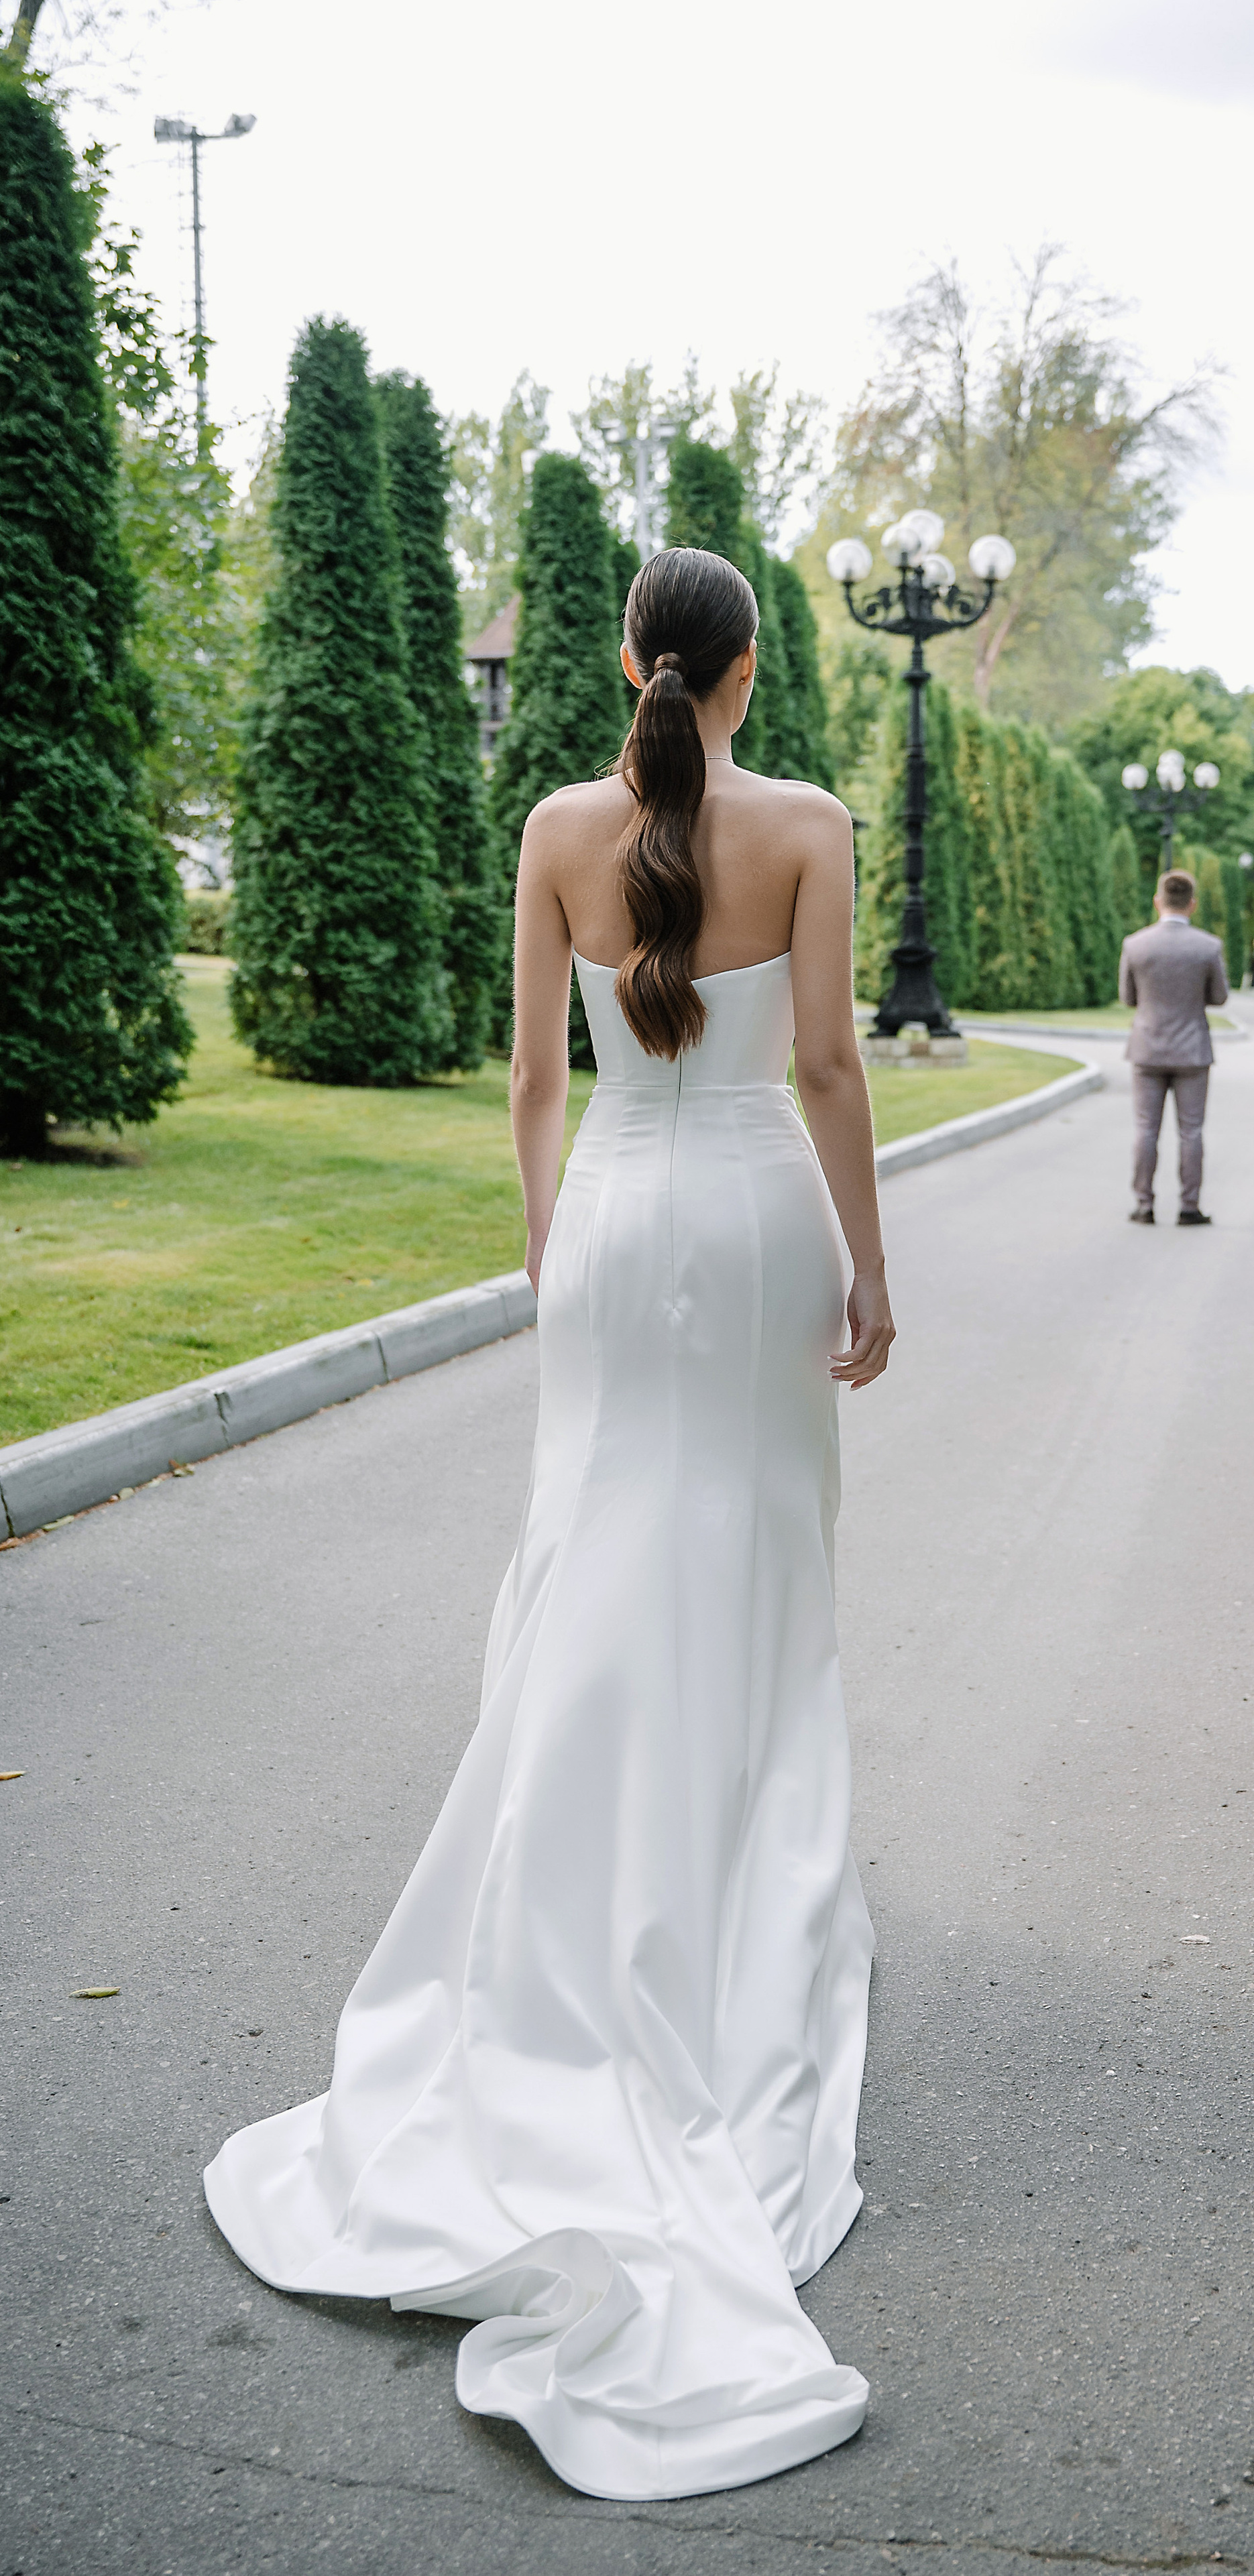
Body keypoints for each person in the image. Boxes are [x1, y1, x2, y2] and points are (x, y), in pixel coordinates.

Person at [205, 549, 894, 2502]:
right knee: (753, 1570)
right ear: (747, 671)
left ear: (622, 664)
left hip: (617, 1220)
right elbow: (830, 1064)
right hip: (758, 1221)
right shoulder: (811, 826)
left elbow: (531, 1078)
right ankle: (732, 1900)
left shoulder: (551, 824)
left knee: (593, 1566)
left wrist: (549, 1243)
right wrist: (868, 1263)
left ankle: (568, 1914)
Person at [1119, 868, 1229, 1226]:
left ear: (1157, 902)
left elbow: (1127, 998)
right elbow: (1220, 997)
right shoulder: (1208, 947)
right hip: (1192, 1051)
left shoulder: (1135, 945)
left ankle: (1144, 1204)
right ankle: (1189, 1206)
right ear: (1192, 904)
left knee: (1146, 1129)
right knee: (1191, 1130)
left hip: (1147, 1048)